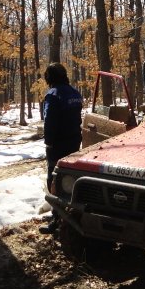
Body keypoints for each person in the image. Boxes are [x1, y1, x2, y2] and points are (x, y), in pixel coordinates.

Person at [39, 63, 83, 235]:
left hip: (58, 144)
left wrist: (48, 142)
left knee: (55, 180)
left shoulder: (53, 95)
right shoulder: (74, 93)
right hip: (73, 141)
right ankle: (65, 214)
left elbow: (49, 121)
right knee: (69, 178)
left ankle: (57, 219)